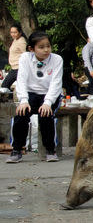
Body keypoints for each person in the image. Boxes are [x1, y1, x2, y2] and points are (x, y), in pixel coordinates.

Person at [6, 31, 63, 163]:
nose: (46, 50)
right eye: (41, 47)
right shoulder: (25, 58)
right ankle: (16, 150)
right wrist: (24, 100)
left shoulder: (57, 59)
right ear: (32, 49)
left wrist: (48, 102)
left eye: (48, 46)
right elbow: (21, 80)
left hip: (49, 95)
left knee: (46, 115)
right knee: (21, 114)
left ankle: (50, 150)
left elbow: (56, 83)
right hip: (30, 94)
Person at [0, 23, 27, 90]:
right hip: (14, 68)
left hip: (18, 68)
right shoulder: (16, 40)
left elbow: (26, 55)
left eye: (15, 32)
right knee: (5, 86)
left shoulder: (21, 41)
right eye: (11, 32)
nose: (13, 34)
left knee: (5, 86)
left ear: (20, 32)